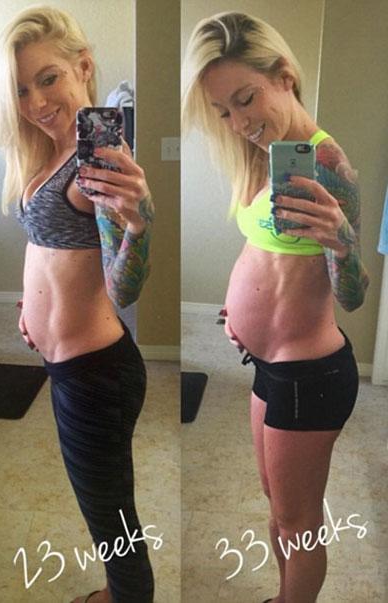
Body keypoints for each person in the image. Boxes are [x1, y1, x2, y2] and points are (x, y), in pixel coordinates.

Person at [183, 12, 369, 603]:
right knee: (277, 505)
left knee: (299, 522)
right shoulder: (266, 157)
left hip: (309, 375)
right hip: (270, 366)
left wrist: (342, 242)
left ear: (284, 76)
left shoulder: (328, 164)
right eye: (224, 112)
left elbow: (353, 296)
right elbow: (269, 255)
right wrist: (242, 312)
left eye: (246, 99)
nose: (240, 123)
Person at [0, 6, 154, 603]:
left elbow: (124, 289)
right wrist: (31, 308)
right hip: (71, 365)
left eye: (48, 78)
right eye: (21, 89)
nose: (36, 101)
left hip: (95, 374)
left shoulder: (96, 162)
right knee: (102, 507)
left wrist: (138, 224)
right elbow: (50, 248)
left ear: (83, 66)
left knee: (111, 517)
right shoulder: (49, 152)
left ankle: (126, 597)